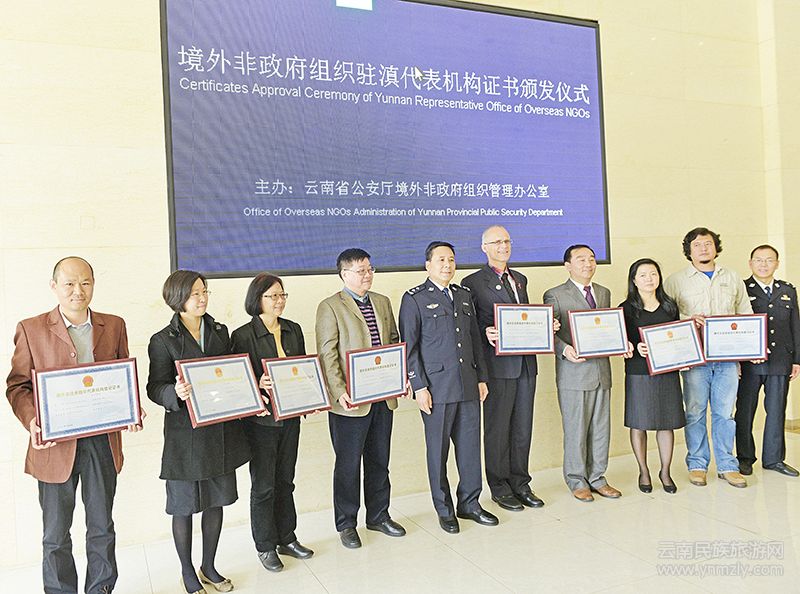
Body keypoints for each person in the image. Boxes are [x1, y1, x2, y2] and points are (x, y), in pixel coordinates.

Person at [6, 256, 142, 594]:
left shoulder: (114, 325)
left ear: (93, 284)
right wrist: (33, 420)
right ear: (54, 286)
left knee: (102, 527)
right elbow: (17, 386)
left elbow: (121, 377)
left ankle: (101, 589)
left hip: (101, 442)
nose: (78, 290)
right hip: (55, 447)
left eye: (85, 283)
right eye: (69, 283)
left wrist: (131, 408)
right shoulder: (31, 328)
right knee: (55, 534)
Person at [146, 270, 250, 594]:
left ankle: (209, 565)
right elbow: (154, 387)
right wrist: (174, 392)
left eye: (204, 291)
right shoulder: (162, 339)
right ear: (177, 298)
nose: (202, 298)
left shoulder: (220, 331)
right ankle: (187, 571)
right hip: (185, 437)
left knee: (216, 501)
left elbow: (232, 374)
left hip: (219, 431)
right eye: (195, 293)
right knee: (184, 506)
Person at [399, 241, 498, 534]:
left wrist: (481, 378)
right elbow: (409, 347)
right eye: (441, 260)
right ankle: (444, 510)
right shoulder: (414, 298)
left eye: (451, 260)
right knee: (437, 453)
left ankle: (470, 503)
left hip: (467, 384)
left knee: (470, 450)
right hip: (436, 389)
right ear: (428, 265)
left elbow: (474, 340)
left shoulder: (463, 295)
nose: (447, 265)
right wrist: (419, 386)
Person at [315, 248, 406, 549]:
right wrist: (339, 391)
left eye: (370, 269)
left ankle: (379, 516)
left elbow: (392, 342)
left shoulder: (382, 301)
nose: (367, 275)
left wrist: (399, 377)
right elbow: (327, 353)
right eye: (360, 270)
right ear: (344, 274)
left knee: (380, 460)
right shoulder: (330, 306)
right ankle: (346, 524)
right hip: (349, 403)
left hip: (383, 396)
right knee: (348, 465)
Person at [231, 273, 314, 572]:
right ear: (258, 299)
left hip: (290, 417)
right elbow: (235, 380)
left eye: (282, 295)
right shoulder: (242, 335)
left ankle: (287, 538)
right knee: (264, 485)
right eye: (272, 296)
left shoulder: (293, 329)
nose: (279, 301)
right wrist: (257, 383)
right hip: (262, 422)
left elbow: (302, 370)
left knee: (286, 480)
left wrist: (310, 396)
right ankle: (265, 545)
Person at [462, 225, 546, 511]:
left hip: (526, 364)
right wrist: (485, 331)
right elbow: (469, 326)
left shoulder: (520, 279)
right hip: (497, 367)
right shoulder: (472, 282)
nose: (503, 246)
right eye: (497, 242)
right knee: (498, 429)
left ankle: (521, 483)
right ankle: (499, 487)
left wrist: (545, 327)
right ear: (484, 247)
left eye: (507, 241)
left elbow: (524, 318)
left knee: (523, 428)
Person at [664, 227, 753, 488]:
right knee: (695, 413)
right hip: (694, 359)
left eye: (708, 243)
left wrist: (747, 352)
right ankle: (697, 464)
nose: (703, 248)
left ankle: (727, 465)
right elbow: (666, 317)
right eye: (697, 245)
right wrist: (687, 320)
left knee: (725, 414)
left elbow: (746, 315)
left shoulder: (732, 277)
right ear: (688, 250)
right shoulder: (676, 281)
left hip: (727, 359)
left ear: (716, 247)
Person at [543, 244, 628, 502]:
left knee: (601, 429)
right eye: (581, 259)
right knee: (576, 430)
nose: (588, 264)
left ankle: (598, 478)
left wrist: (621, 342)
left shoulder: (603, 292)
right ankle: (577, 479)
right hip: (573, 373)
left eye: (591, 259)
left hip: (602, 371)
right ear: (567, 265)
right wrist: (564, 350)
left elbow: (607, 329)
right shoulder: (555, 294)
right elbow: (548, 332)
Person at [620, 258, 686, 494]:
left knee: (667, 423)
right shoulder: (626, 308)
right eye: (643, 275)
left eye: (653, 274)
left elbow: (679, 336)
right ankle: (644, 471)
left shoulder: (670, 306)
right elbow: (621, 341)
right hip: (639, 371)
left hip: (667, 371)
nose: (649, 279)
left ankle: (665, 471)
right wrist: (634, 346)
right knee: (639, 423)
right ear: (634, 280)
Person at [735, 245, 800, 477]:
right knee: (745, 411)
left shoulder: (787, 290)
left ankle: (774, 459)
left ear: (777, 263)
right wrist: (736, 360)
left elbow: (795, 326)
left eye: (769, 260)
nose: (764, 264)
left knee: (776, 411)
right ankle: (744, 458)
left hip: (780, 360)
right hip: (749, 363)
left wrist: (797, 360)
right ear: (750, 263)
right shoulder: (742, 289)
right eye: (759, 260)